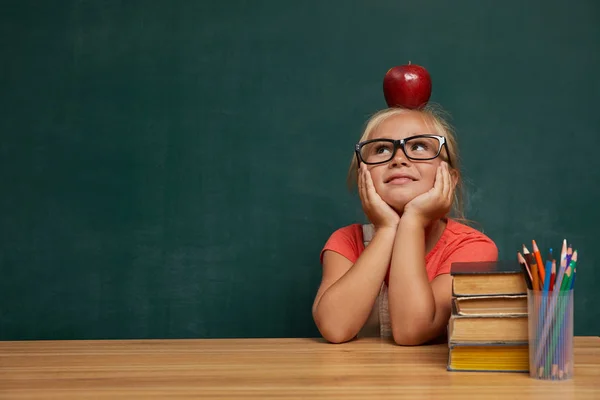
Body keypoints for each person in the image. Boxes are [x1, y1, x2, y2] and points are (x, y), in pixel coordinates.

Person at [312, 106, 498, 345]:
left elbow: (411, 331)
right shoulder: (346, 241)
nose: (399, 159)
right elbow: (335, 328)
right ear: (363, 176)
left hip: (434, 382)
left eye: (419, 146)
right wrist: (388, 228)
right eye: (381, 149)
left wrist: (413, 219)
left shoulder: (473, 248)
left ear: (449, 178)